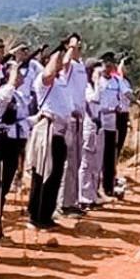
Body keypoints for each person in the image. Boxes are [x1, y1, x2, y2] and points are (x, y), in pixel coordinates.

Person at [25, 45, 70, 229]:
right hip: (47, 130)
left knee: (56, 174)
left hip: (60, 132)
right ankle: (36, 215)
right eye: (56, 60)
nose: (60, 63)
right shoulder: (43, 81)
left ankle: (47, 213)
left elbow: (64, 64)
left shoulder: (60, 81)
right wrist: (56, 52)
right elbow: (50, 72)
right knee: (43, 173)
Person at [0, 59, 29, 241]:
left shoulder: (19, 96)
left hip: (15, 143)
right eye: (17, 73)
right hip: (1, 141)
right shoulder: (2, 93)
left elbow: (23, 119)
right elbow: (4, 98)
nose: (21, 76)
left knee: (4, 189)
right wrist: (11, 75)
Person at [57, 34, 87, 217]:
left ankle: (72, 199)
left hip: (80, 118)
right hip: (69, 118)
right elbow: (65, 64)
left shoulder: (80, 65)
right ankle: (64, 203)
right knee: (68, 162)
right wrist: (70, 46)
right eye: (75, 47)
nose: (78, 49)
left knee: (75, 161)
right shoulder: (66, 66)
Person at [94, 53, 128, 202]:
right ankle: (93, 189)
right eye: (106, 65)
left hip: (112, 123)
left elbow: (127, 93)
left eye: (110, 65)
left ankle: (108, 187)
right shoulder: (97, 81)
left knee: (110, 156)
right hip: (98, 122)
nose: (108, 68)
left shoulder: (117, 81)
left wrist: (138, 103)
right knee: (96, 157)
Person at [78, 60, 104, 210]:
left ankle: (93, 194)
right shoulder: (87, 87)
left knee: (96, 163)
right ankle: (84, 196)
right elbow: (94, 99)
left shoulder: (96, 86)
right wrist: (97, 83)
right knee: (86, 162)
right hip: (89, 126)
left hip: (98, 126)